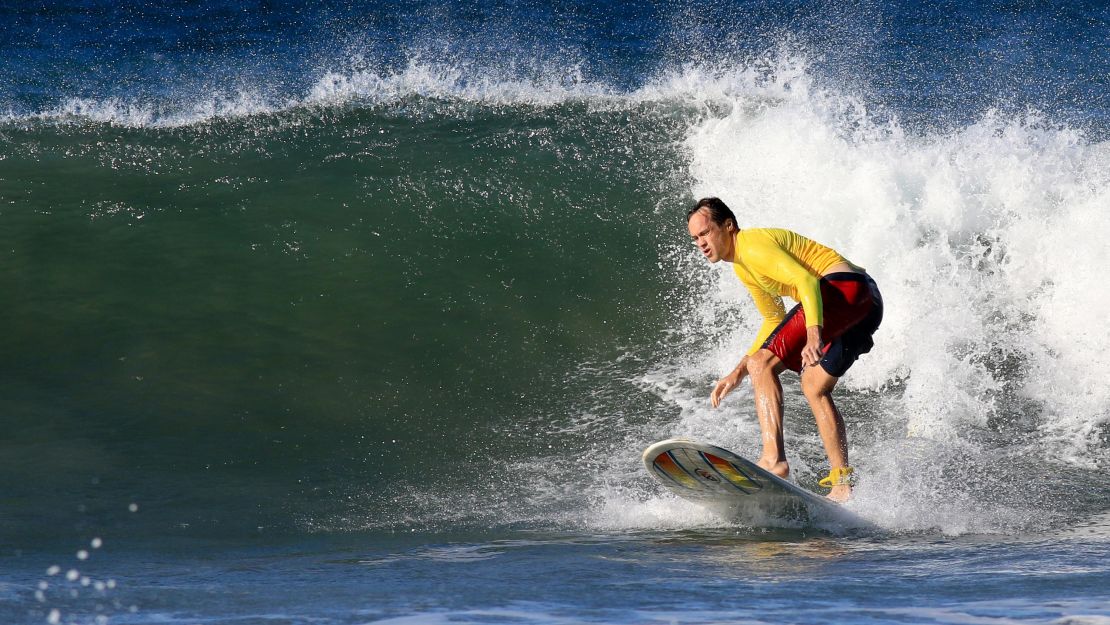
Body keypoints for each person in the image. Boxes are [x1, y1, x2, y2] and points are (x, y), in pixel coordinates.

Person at [686, 197, 882, 502]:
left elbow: (805, 280)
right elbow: (773, 319)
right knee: (813, 386)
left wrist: (813, 334)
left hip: (843, 288)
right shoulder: (743, 268)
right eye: (695, 238)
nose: (700, 242)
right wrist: (739, 370)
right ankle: (843, 484)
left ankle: (773, 459)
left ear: (728, 226)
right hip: (866, 301)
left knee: (763, 366)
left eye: (705, 233)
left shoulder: (751, 245)